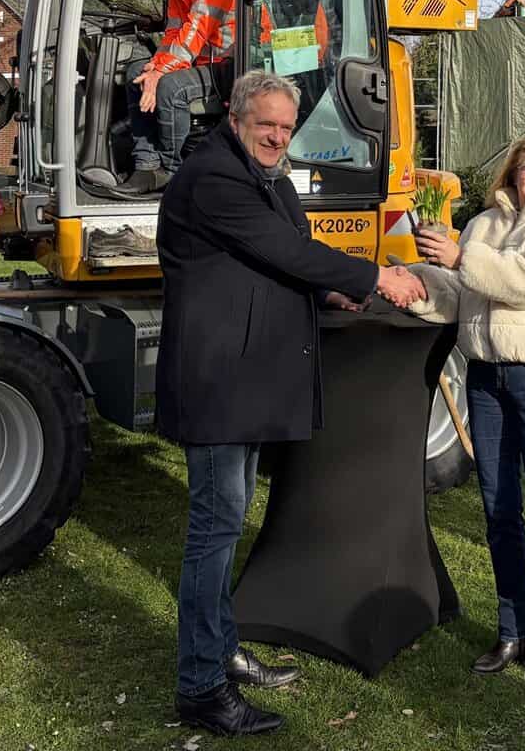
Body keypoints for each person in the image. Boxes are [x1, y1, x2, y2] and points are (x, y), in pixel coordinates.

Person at [156, 70, 425, 736]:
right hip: (219, 384)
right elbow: (279, 247)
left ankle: (222, 651)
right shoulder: (215, 177)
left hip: (246, 384)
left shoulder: (265, 176)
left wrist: (330, 290)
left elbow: (290, 257)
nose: (278, 137)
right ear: (235, 118)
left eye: (285, 127)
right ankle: (201, 688)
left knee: (226, 524)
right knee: (214, 534)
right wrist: (376, 276)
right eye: (266, 125)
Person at [406, 133, 525, 707]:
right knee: (499, 513)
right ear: (512, 173)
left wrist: (461, 258)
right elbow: (460, 296)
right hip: (486, 379)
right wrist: (415, 281)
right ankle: (515, 633)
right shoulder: (483, 225)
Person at [117, 0, 235, 195]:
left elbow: (197, 28)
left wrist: (161, 73)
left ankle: (171, 170)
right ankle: (146, 164)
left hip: (232, 63)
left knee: (170, 87)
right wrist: (154, 67)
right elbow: (173, 33)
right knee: (136, 74)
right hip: (200, 60)